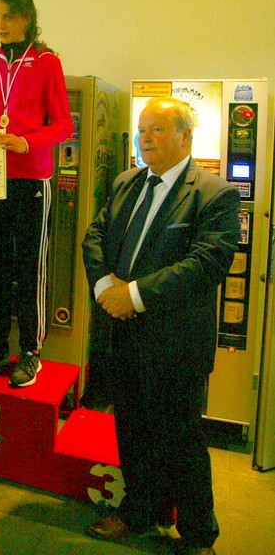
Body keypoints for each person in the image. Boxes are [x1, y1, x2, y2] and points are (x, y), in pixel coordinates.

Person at [82, 97, 241, 555]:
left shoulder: (215, 193)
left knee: (180, 439)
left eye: (156, 129)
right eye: (141, 129)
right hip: (123, 334)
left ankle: (198, 536)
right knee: (131, 431)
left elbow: (207, 263)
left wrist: (133, 295)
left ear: (185, 136)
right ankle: (140, 510)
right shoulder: (126, 182)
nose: (145, 138)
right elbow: (95, 235)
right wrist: (106, 288)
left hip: (175, 343)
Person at [0, 0, 73, 388]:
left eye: (8, 16)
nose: (0, 24)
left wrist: (26, 142)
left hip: (31, 179)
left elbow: (64, 125)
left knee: (29, 268)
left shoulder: (46, 61)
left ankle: (30, 351)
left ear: (27, 17)